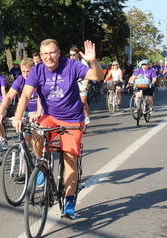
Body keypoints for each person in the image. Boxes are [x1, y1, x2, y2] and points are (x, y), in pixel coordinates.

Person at [12, 39, 104, 219]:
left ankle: (69, 202)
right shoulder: (37, 70)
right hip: (51, 116)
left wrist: (93, 61)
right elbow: (25, 95)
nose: (49, 57)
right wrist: (17, 116)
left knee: (69, 159)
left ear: (59, 52)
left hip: (72, 119)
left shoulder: (70, 65)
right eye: (45, 54)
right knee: (37, 134)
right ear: (40, 55)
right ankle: (41, 165)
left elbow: (98, 76)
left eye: (52, 53)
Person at [0, 58, 41, 146]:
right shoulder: (20, 80)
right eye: (23, 71)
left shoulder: (39, 79)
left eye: (28, 71)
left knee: (37, 140)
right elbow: (9, 96)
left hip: (38, 111)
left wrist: (38, 113)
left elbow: (41, 98)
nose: (26, 74)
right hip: (25, 112)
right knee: (26, 141)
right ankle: (25, 158)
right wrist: (0, 112)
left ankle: (42, 157)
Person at [69, 46, 90, 124]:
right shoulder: (69, 63)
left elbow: (87, 75)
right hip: (73, 84)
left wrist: (85, 86)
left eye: (73, 55)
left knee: (83, 101)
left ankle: (86, 117)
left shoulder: (82, 62)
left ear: (77, 54)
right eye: (70, 55)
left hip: (82, 83)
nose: (72, 57)